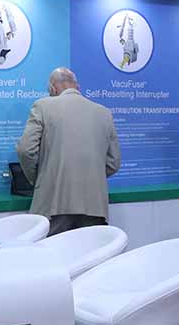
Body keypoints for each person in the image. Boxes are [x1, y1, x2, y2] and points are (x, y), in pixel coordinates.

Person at [16, 67, 121, 237]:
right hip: (95, 207)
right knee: (92, 251)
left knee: (51, 251)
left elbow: (25, 150)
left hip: (54, 204)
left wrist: (39, 178)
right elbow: (113, 162)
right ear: (77, 87)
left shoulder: (42, 106)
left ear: (52, 89)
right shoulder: (104, 112)